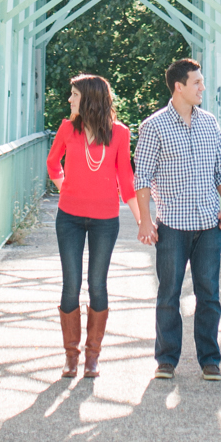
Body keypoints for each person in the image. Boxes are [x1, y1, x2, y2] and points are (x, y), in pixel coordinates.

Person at [134, 58, 221, 382]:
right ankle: (166, 360)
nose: (203, 88)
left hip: (208, 223)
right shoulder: (153, 126)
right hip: (173, 224)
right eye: (197, 83)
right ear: (179, 87)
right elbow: (142, 178)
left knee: (209, 294)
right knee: (169, 293)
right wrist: (145, 222)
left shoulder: (210, 123)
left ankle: (210, 359)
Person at [45, 73, 146, 378]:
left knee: (98, 284)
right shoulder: (66, 129)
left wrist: (143, 221)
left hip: (105, 220)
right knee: (71, 284)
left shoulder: (119, 133)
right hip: (69, 219)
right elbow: (53, 163)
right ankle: (71, 357)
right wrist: (67, 188)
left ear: (88, 98)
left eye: (74, 95)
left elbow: (126, 180)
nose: (69, 100)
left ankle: (92, 357)